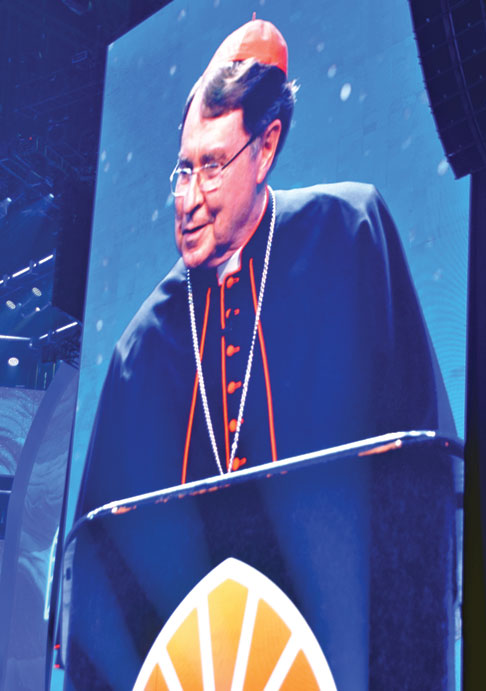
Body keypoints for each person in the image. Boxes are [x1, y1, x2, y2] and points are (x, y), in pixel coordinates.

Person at [76, 18, 454, 516]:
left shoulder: (350, 234)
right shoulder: (140, 350)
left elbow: (424, 450)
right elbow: (103, 548)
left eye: (212, 167)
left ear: (265, 148)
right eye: (184, 170)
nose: (188, 200)